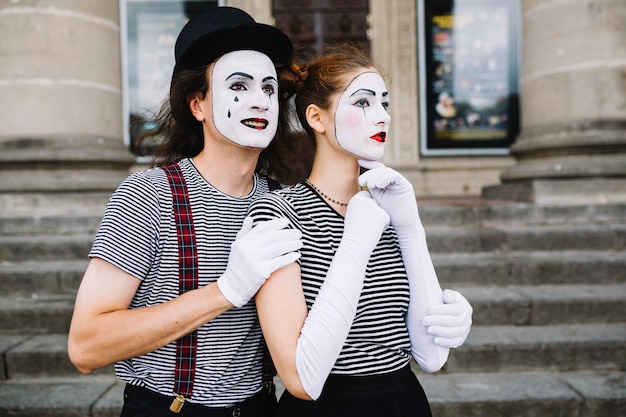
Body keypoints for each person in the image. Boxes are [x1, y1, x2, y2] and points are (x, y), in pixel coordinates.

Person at [67, 7, 303, 416]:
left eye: (268, 89)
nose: (260, 101)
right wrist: (224, 292)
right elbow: (86, 345)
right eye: (239, 86)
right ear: (198, 105)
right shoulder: (149, 195)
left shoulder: (283, 202)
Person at [247, 43, 473, 416]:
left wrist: (409, 227)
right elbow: (303, 378)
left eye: (384, 103)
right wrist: (356, 239)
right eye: (363, 103)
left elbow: (431, 357)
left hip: (402, 401)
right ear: (317, 118)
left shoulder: (386, 207)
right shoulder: (279, 212)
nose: (381, 116)